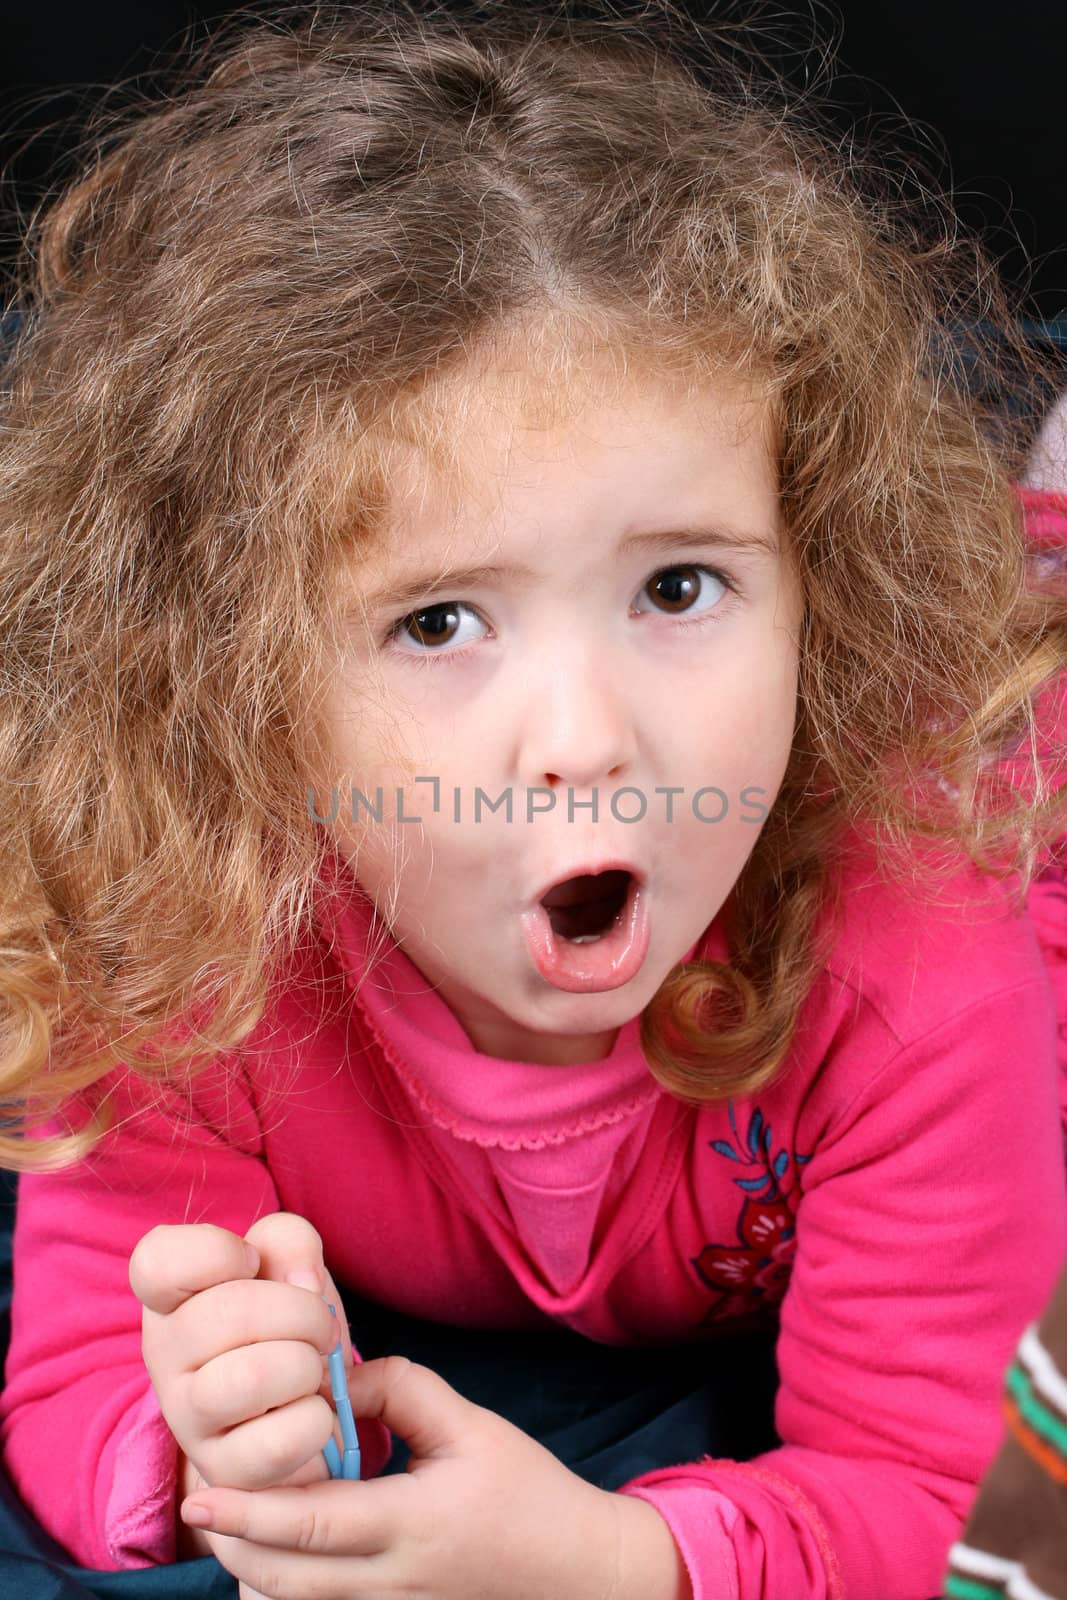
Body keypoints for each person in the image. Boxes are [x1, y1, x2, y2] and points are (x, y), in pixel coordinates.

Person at [0, 3, 1065, 1598]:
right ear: (236, 685)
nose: (584, 738)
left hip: (1003, 796)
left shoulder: (920, 974)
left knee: (1026, 653)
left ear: (810, 593)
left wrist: (614, 1558)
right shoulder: (177, 926)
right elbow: (88, 1380)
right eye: (439, 621)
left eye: (682, 584)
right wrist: (211, 1439)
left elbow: (954, 1499)